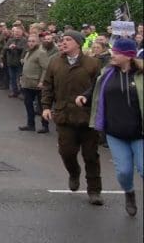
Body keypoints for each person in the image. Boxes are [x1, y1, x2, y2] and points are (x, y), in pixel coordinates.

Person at [78, 38, 142, 216]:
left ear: (128, 55)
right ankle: (129, 193)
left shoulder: (141, 75)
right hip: (115, 132)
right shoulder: (107, 72)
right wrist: (85, 97)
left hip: (139, 132)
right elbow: (95, 89)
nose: (112, 54)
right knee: (123, 172)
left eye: (117, 52)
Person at [41, 30, 103, 206]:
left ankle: (94, 191)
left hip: (87, 117)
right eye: (62, 40)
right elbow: (47, 86)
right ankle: (74, 173)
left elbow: (99, 89)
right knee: (66, 152)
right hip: (64, 116)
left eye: (68, 40)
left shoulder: (93, 64)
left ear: (78, 43)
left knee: (91, 156)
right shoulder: (55, 62)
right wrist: (46, 107)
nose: (64, 42)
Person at [19, 34, 50, 133]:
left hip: (37, 84)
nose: (31, 43)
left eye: (33, 41)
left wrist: (42, 81)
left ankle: (45, 126)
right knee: (28, 105)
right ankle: (30, 125)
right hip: (27, 83)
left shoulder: (41, 53)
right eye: (29, 41)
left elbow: (45, 68)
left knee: (42, 106)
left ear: (38, 42)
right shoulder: (28, 52)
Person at [3, 26, 27, 98]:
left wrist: (16, 47)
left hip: (19, 63)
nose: (16, 34)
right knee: (12, 78)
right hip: (10, 62)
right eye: (15, 32)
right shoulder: (10, 40)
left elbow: (24, 49)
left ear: (22, 33)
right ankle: (14, 91)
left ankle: (22, 93)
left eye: (18, 32)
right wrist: (9, 47)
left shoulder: (24, 40)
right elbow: (5, 48)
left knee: (20, 78)